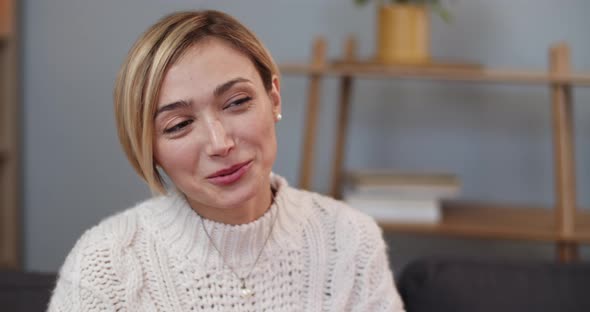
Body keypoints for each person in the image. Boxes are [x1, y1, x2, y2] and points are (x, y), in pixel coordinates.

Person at [48, 10, 405, 311]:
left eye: (236, 102)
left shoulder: (350, 239)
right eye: (179, 124)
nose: (220, 143)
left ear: (274, 99)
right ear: (149, 148)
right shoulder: (105, 265)